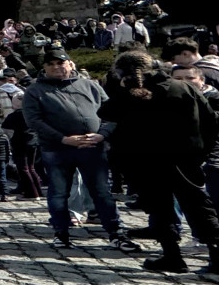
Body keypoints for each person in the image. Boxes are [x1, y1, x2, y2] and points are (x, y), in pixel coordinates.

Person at [99, 53, 219, 274]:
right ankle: (218, 257)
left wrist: (121, 87)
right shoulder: (182, 88)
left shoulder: (129, 94)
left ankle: (172, 255)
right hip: (185, 158)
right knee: (199, 206)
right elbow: (209, 119)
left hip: (147, 161)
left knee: (161, 209)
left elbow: (105, 112)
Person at [22, 47, 140, 251]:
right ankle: (61, 232)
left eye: (60, 63)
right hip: (57, 149)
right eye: (50, 64)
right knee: (59, 193)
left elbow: (111, 113)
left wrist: (102, 134)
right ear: (44, 68)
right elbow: (34, 121)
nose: (56, 67)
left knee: (102, 192)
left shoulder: (90, 85)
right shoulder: (35, 90)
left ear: (70, 64)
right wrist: (64, 139)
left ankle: (116, 232)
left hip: (93, 146)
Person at [174, 64, 219, 254]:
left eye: (189, 78)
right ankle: (201, 238)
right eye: (178, 79)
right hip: (185, 156)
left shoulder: (216, 97)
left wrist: (197, 115)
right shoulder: (171, 97)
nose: (184, 82)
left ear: (201, 80)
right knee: (191, 201)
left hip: (217, 155)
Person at [3, 93, 43, 198]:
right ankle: (38, 191)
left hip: (20, 144)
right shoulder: (33, 113)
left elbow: (6, 130)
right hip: (33, 142)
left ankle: (32, 193)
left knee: (24, 169)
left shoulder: (14, 115)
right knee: (31, 168)